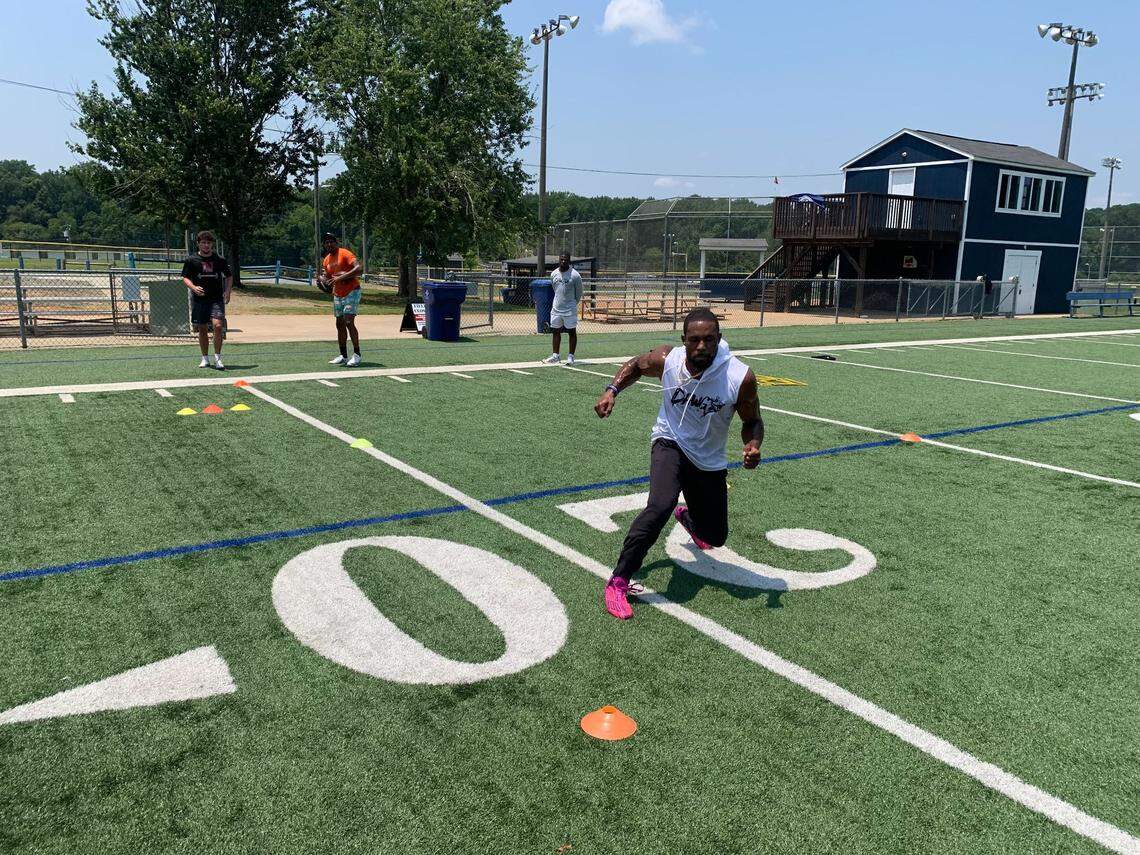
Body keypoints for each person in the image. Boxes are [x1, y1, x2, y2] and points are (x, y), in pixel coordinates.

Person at [594, 308, 764, 620]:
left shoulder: (739, 377)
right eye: (695, 340)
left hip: (708, 460)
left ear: (719, 340)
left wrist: (752, 445)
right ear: (683, 340)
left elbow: (752, 421)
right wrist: (612, 390)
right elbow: (635, 365)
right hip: (669, 441)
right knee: (659, 505)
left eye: (709, 340)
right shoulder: (667, 360)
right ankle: (618, 579)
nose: (702, 346)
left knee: (716, 537)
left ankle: (687, 517)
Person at [181, 230, 232, 370]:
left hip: (216, 299)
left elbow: (229, 276)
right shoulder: (191, 260)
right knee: (202, 328)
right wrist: (193, 287)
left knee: (217, 326)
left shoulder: (219, 260)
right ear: (198, 244)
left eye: (208, 243)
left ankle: (218, 358)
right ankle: (205, 358)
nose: (206, 245)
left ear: (212, 245)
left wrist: (227, 291)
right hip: (199, 300)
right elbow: (185, 277)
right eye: (203, 242)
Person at [319, 232, 364, 366]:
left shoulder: (345, 254)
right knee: (339, 324)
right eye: (326, 242)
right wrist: (323, 283)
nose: (329, 244)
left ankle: (357, 354)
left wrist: (341, 277)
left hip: (352, 291)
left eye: (331, 241)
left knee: (349, 321)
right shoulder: (326, 259)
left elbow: (359, 268)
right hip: (338, 293)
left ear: (336, 242)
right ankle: (343, 355)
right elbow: (328, 278)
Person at [541, 252, 583, 366]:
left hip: (570, 309)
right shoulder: (554, 274)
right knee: (555, 331)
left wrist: (572, 303)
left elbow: (579, 293)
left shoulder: (575, 275)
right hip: (556, 309)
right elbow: (555, 289)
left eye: (565, 260)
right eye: (561, 259)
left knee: (571, 332)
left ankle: (571, 357)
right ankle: (555, 356)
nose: (563, 261)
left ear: (569, 261)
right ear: (559, 260)